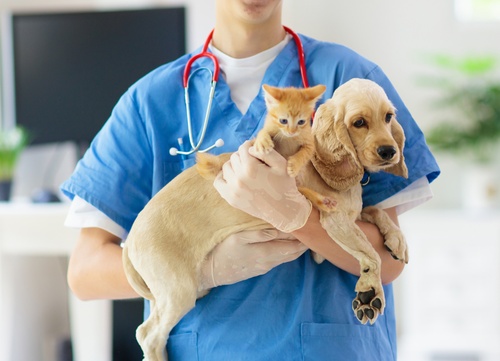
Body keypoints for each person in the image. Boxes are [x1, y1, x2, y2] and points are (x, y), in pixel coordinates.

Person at [61, 0, 440, 359]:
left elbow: (389, 264)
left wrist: (299, 220)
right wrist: (200, 270)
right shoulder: (150, 101)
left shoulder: (349, 81)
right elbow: (85, 272)